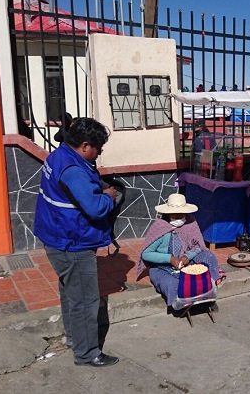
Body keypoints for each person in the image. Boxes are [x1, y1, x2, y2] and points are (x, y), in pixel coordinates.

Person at [33, 117, 119, 367]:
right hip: (73, 243)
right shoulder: (73, 170)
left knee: (71, 294)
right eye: (97, 149)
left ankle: (75, 338)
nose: (98, 154)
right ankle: (87, 353)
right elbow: (94, 208)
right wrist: (109, 197)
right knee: (84, 300)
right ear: (84, 145)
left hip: (57, 237)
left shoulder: (58, 156)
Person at [137, 193, 225, 309]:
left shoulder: (190, 223)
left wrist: (187, 256)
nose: (179, 217)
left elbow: (198, 246)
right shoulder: (160, 227)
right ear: (167, 213)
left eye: (181, 214)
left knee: (208, 256)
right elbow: (146, 254)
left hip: (186, 264)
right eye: (175, 215)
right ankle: (181, 304)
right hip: (162, 268)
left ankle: (208, 295)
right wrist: (170, 259)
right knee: (171, 283)